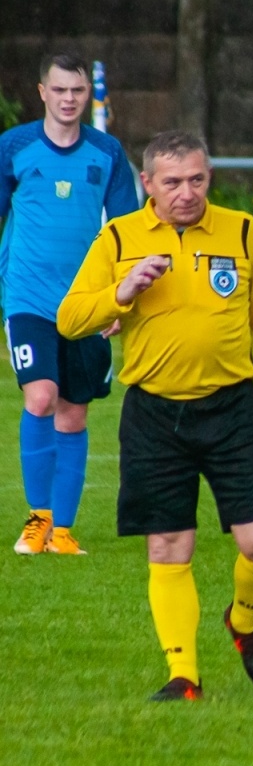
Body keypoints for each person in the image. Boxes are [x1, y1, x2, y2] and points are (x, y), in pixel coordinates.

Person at [57, 131, 253, 702]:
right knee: (168, 545)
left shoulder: (243, 231)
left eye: (196, 179)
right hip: (153, 414)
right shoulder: (119, 237)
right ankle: (183, 676)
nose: (186, 192)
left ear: (209, 177)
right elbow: (70, 318)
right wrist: (121, 292)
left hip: (232, 408)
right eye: (172, 182)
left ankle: (243, 622)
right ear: (148, 184)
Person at [2, 53, 139, 556]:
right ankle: (37, 519)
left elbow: (126, 233)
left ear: (88, 94)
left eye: (77, 91)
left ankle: (62, 531)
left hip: (87, 302)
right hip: (28, 298)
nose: (68, 99)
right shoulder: (13, 147)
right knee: (41, 397)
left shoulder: (107, 152)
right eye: (59, 90)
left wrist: (120, 302)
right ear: (42, 92)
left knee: (73, 413)